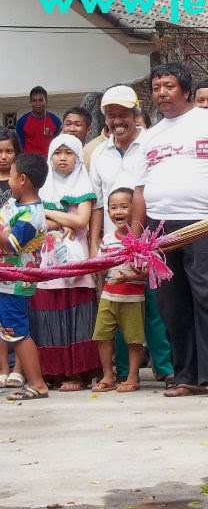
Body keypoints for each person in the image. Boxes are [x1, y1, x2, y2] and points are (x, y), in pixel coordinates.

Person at [131, 62, 208, 398]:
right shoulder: (149, 136)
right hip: (161, 230)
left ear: (185, 90)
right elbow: (138, 191)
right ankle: (187, 377)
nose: (161, 93)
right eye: (156, 87)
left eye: (168, 86)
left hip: (206, 222)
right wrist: (138, 244)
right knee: (172, 305)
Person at [88, 84, 174, 389]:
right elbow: (97, 205)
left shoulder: (151, 144)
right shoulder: (99, 153)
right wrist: (93, 248)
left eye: (123, 114)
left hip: (151, 241)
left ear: (136, 115)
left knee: (154, 307)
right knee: (121, 309)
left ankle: (166, 368)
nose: (117, 120)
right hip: (113, 246)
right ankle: (124, 372)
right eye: (111, 115)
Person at [30, 134, 100, 391]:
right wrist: (61, 219)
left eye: (68, 153)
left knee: (77, 314)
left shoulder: (83, 186)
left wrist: (46, 212)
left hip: (75, 259)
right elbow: (38, 225)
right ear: (50, 157)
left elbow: (81, 221)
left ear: (78, 157)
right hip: (46, 260)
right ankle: (53, 372)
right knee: (48, 313)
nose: (62, 158)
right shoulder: (43, 187)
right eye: (57, 153)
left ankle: (76, 374)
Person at [0, 153, 49, 400]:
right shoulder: (16, 205)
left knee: (16, 332)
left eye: (10, 176)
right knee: (10, 329)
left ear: (23, 180)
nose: (7, 181)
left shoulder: (32, 214)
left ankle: (37, 383)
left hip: (16, 283)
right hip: (5, 280)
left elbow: (12, 242)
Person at [92, 188, 146, 392]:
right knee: (102, 336)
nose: (118, 212)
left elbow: (148, 272)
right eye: (113, 208)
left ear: (136, 209)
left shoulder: (141, 241)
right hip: (108, 296)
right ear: (107, 212)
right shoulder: (107, 240)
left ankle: (133, 377)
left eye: (124, 206)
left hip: (133, 299)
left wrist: (129, 277)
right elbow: (101, 266)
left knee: (134, 339)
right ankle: (108, 375)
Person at [0, 129, 22, 388]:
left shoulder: (21, 182)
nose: (4, 156)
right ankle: (3, 367)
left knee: (16, 311)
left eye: (9, 151)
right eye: (0, 152)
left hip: (17, 254)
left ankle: (19, 366)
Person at [16, 86, 61, 157]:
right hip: (28, 164)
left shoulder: (56, 121)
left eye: (40, 100)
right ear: (30, 102)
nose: (37, 103)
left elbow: (59, 146)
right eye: (34, 100)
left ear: (46, 101)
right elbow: (19, 147)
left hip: (49, 163)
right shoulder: (22, 122)